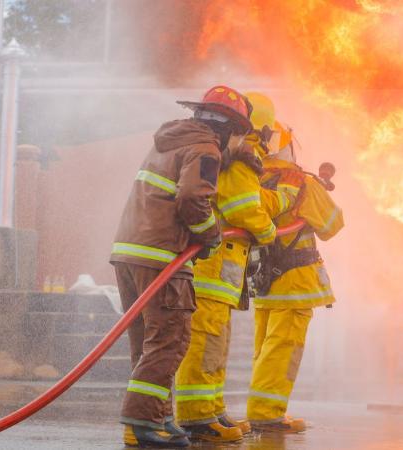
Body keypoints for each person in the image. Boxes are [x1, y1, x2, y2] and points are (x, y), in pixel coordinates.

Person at [110, 85, 252, 448]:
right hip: (162, 256)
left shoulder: (169, 141)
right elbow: (192, 197)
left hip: (129, 253)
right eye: (233, 134)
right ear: (224, 128)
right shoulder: (205, 149)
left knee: (147, 343)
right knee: (170, 340)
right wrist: (209, 235)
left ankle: (155, 419)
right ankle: (143, 423)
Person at [173, 92, 295, 443]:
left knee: (216, 342)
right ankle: (197, 416)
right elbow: (243, 207)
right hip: (212, 271)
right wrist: (268, 231)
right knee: (204, 341)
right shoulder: (242, 159)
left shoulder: (234, 155)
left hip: (221, 272)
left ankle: (212, 409)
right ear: (264, 130)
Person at [246, 112, 344, 433]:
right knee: (283, 348)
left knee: (264, 347)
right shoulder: (300, 181)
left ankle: (261, 408)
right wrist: (318, 192)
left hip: (263, 282)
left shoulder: (251, 180)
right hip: (296, 282)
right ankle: (267, 412)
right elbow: (332, 225)